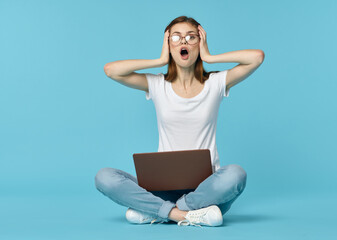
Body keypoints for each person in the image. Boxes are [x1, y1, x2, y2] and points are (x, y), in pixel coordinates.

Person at [95, 15, 265, 227]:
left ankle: (158, 212)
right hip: (161, 188)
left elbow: (256, 57)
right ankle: (184, 215)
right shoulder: (158, 85)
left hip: (206, 190)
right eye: (176, 37)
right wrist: (159, 61)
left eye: (191, 37)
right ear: (168, 45)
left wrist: (210, 57)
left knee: (236, 175)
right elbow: (111, 70)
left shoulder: (216, 83)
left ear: (200, 43)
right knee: (105, 177)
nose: (183, 42)